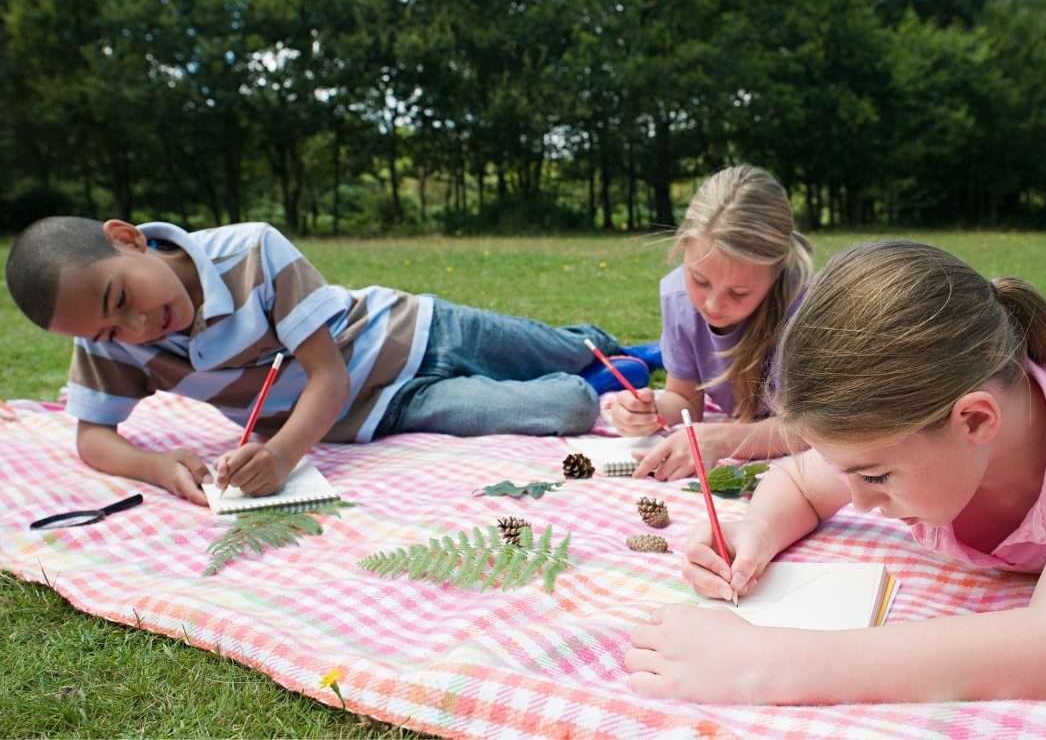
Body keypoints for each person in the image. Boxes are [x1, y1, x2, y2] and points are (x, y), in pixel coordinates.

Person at [625, 240, 1046, 704]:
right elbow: (800, 481)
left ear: (974, 419)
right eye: (850, 475)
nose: (860, 503)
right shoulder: (918, 431)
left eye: (877, 478)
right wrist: (755, 530)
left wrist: (758, 662)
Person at [5, 217, 661, 504]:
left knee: (574, 351)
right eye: (110, 330)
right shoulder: (110, 339)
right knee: (570, 406)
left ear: (128, 240)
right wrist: (154, 464)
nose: (137, 327)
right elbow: (92, 437)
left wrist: (283, 457)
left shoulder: (253, 251)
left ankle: (613, 352)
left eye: (123, 298)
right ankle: (601, 377)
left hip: (419, 332)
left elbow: (328, 372)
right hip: (386, 411)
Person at [612, 164, 812, 480]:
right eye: (700, 280)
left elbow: (812, 427)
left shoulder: (806, 313)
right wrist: (651, 413)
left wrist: (723, 441)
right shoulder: (678, 298)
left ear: (778, 271)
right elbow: (686, 399)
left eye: (739, 292)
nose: (713, 305)